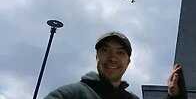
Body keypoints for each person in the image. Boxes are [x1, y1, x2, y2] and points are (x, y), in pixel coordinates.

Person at [44, 31, 187, 99]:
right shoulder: (69, 95)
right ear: (97, 56)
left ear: (128, 62)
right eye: (106, 50)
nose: (112, 58)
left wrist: (174, 95)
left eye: (120, 53)